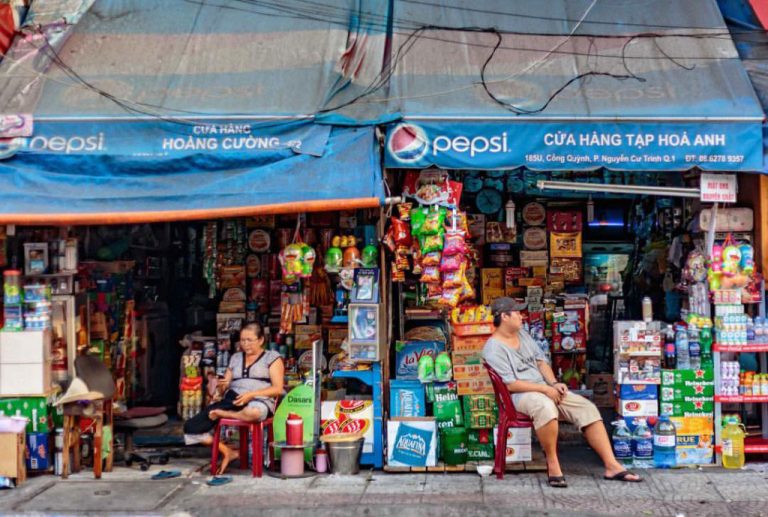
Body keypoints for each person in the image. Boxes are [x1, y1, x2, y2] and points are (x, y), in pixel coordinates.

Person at [482, 297, 641, 488]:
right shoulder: (493, 348)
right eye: (516, 312)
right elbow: (511, 385)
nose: (521, 316)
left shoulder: (522, 334)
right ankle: (552, 461)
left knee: (586, 407)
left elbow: (541, 362)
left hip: (544, 387)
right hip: (519, 395)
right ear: (504, 317)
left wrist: (554, 383)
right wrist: (544, 389)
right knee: (545, 407)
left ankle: (612, 465)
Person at [183, 323, 284, 474]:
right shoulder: (236, 358)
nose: (245, 344)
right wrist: (221, 385)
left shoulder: (272, 358)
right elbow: (225, 384)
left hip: (259, 400)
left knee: (254, 413)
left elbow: (277, 389)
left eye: (250, 340)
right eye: (243, 340)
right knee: (190, 429)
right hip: (232, 400)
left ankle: (224, 415)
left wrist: (250, 395)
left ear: (261, 340)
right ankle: (228, 452)